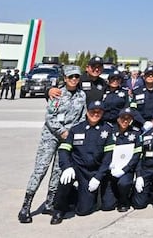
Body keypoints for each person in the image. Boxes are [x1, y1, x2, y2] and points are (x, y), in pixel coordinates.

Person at [17, 65, 86, 223]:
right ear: (65, 78)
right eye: (71, 77)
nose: (74, 80)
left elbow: (82, 117)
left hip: (67, 138)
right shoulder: (57, 93)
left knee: (58, 171)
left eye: (76, 77)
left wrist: (73, 133)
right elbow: (50, 117)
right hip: (51, 137)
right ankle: (26, 207)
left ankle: (50, 203)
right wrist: (62, 131)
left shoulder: (81, 95)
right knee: (40, 170)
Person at [50, 100, 113, 224]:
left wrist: (98, 177)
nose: (95, 114)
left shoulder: (107, 130)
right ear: (87, 112)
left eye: (99, 112)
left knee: (83, 211)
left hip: (92, 172)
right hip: (76, 168)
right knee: (65, 180)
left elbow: (108, 158)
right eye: (92, 111)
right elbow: (64, 150)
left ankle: (77, 196)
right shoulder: (76, 129)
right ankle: (59, 209)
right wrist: (67, 167)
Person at [100, 107, 141, 213]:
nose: (125, 121)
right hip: (110, 169)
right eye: (123, 118)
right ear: (118, 119)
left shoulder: (135, 133)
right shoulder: (110, 132)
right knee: (107, 206)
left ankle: (124, 200)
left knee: (123, 184)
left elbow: (136, 155)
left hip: (125, 169)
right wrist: (108, 165)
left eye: (128, 119)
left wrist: (126, 169)